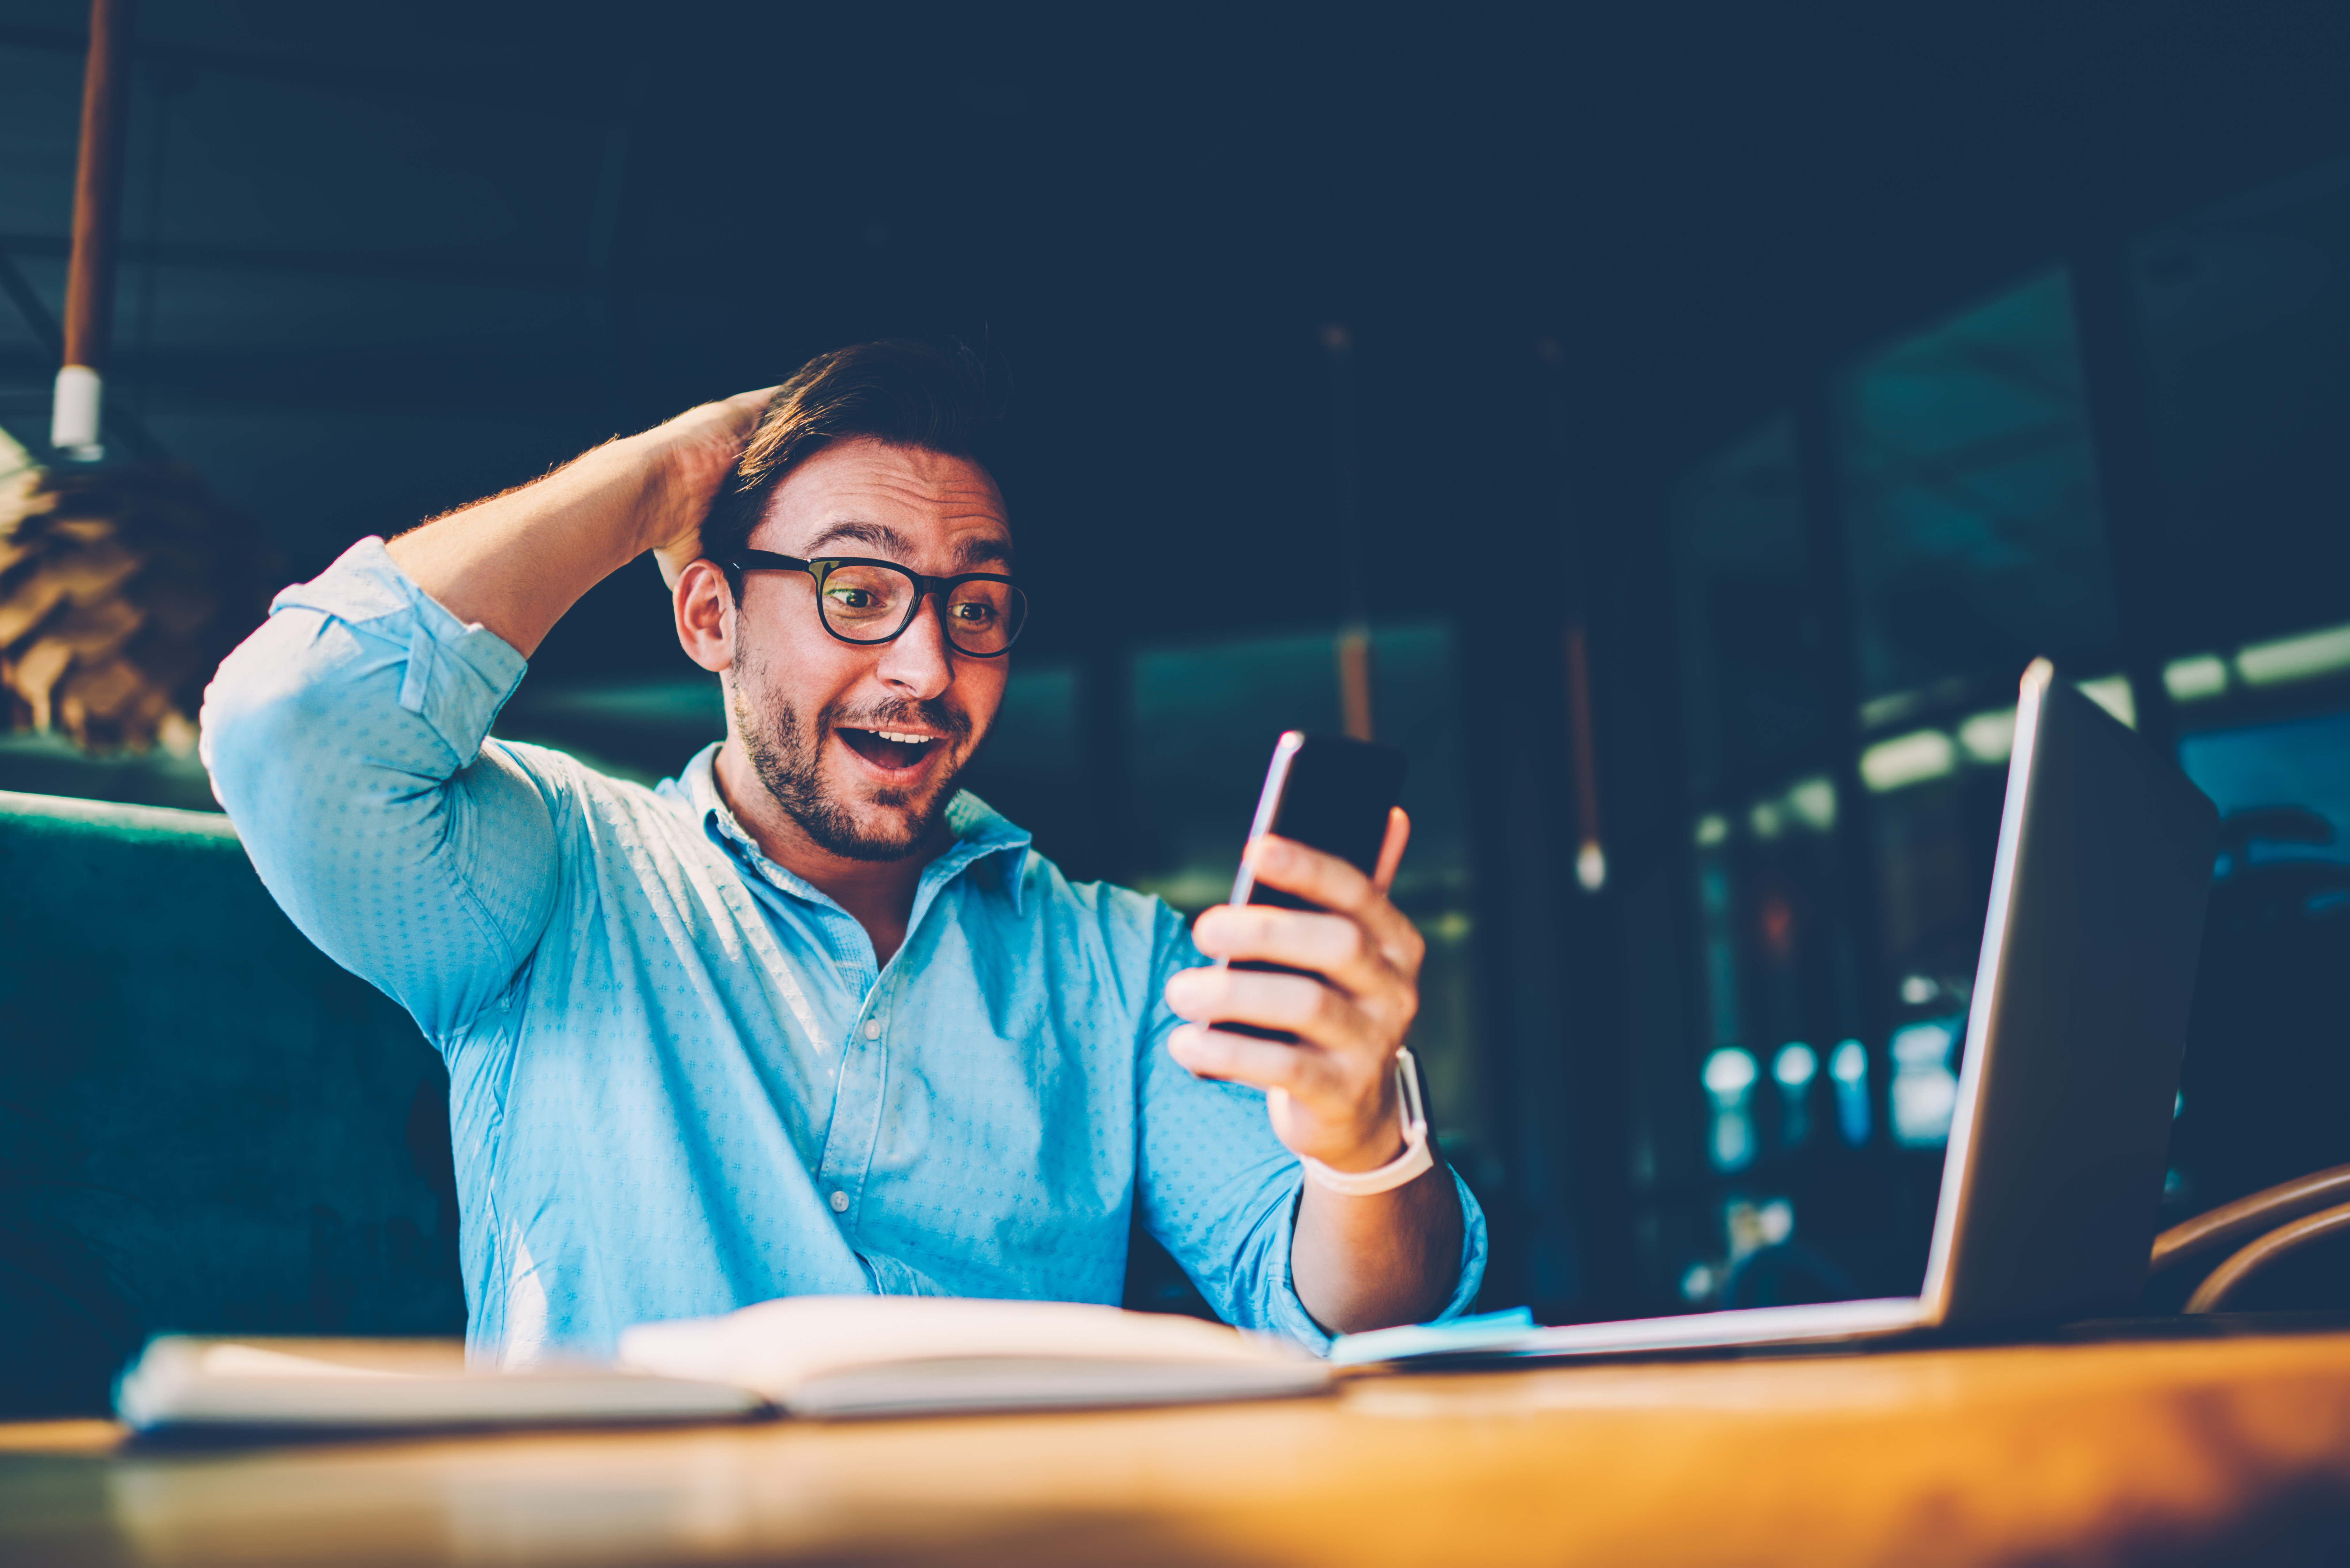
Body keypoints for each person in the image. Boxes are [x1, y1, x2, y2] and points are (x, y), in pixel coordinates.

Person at [201, 339, 1483, 1364]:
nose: (926, 668)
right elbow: (291, 722)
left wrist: (1360, 1138)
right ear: (711, 614)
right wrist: (663, 476)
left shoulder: (1117, 961)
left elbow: (1357, 1311)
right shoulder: (552, 873)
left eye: (972, 607)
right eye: (856, 593)